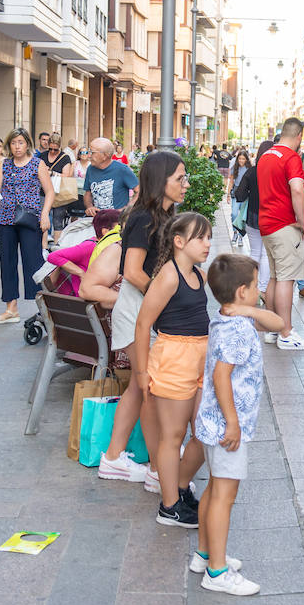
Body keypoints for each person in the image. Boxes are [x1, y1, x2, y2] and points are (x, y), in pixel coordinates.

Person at [97, 150, 188, 489]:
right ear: (160, 180)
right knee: (146, 388)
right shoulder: (143, 218)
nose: (184, 184)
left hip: (147, 311)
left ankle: (114, 458)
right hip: (138, 313)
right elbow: (131, 270)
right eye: (179, 178)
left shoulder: (166, 215)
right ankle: (156, 468)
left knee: (139, 388)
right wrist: (162, 294)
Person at [194, 254, 283, 595]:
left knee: (215, 489)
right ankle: (217, 572)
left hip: (213, 424)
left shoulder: (227, 317)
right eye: (257, 286)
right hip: (227, 428)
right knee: (224, 496)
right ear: (243, 290)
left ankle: (205, 554)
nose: (261, 291)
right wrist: (233, 423)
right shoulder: (235, 329)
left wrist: (248, 310)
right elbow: (221, 377)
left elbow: (277, 323)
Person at [134, 212, 213, 528]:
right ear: (179, 242)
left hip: (199, 357)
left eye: (209, 237)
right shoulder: (168, 276)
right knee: (173, 435)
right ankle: (169, 506)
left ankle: (178, 487)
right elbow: (142, 324)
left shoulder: (198, 275)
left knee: (206, 433)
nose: (208, 244)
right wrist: (141, 373)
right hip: (173, 357)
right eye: (201, 238)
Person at [257, 118, 304, 350]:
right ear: (299, 135)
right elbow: (297, 189)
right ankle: (286, 333)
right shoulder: (291, 158)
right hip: (285, 224)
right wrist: (301, 220)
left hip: (267, 224)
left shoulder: (266, 156)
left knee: (275, 277)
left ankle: (272, 328)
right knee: (286, 279)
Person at [0, 127, 53, 325]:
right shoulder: (4, 165)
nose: (17, 147)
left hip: (29, 218)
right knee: (7, 263)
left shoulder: (37, 164)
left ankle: (44, 309)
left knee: (33, 264)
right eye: (14, 143)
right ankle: (11, 308)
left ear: (27, 144)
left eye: (21, 143)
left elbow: (49, 192)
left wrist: (44, 214)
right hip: (5, 219)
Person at [47, 208, 123, 301]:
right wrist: (81, 273)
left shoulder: (113, 245)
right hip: (88, 299)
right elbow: (53, 256)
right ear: (105, 231)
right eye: (119, 228)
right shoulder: (90, 246)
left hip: (97, 296)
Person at [232, 142, 271, 294]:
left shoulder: (251, 172)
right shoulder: (275, 172)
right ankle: (262, 287)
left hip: (253, 216)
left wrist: (250, 193)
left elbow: (239, 195)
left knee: (255, 252)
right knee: (266, 255)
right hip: (270, 218)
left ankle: (253, 285)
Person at [81, 137, 139, 215]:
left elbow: (140, 192)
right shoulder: (90, 169)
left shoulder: (122, 169)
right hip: (97, 220)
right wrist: (90, 207)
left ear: (105, 155)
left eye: (92, 152)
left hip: (117, 222)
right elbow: (88, 193)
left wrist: (126, 210)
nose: (88, 155)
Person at [41, 132, 74, 241]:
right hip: (43, 192)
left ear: (60, 147)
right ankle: (44, 248)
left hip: (59, 193)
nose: (52, 151)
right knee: (43, 218)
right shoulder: (43, 156)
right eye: (50, 149)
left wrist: (52, 173)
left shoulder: (64, 157)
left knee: (58, 221)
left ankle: (57, 247)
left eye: (56, 149)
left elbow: (67, 175)